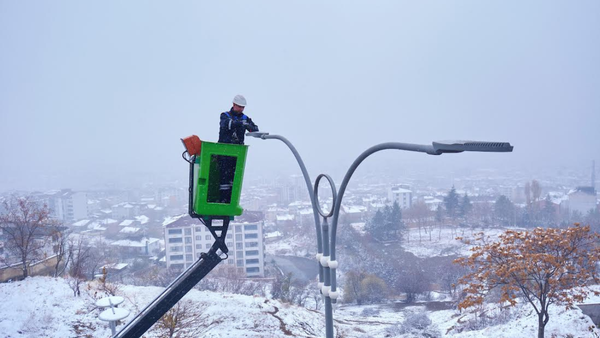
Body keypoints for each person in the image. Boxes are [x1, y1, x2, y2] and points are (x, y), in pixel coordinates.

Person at [216, 94, 259, 203]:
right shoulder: (225, 116)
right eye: (239, 107)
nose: (241, 109)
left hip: (237, 153)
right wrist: (240, 124)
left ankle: (230, 201)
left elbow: (255, 129)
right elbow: (226, 124)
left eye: (242, 107)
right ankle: (222, 200)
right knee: (224, 179)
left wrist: (249, 127)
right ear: (234, 105)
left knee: (233, 179)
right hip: (224, 152)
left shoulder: (245, 118)